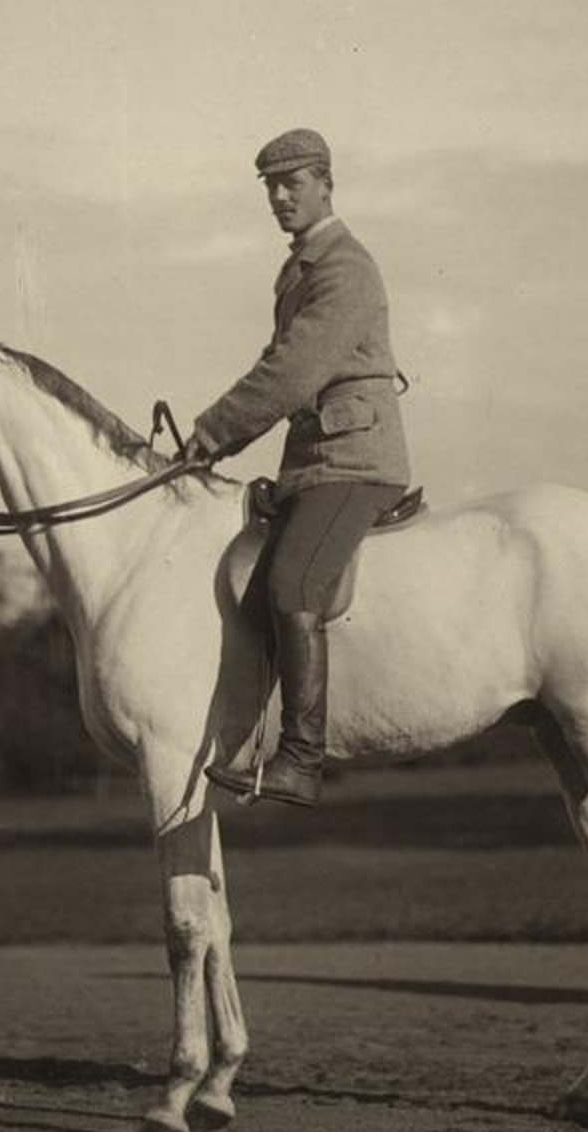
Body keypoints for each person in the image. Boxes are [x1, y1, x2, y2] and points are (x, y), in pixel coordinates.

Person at [184, 128, 411, 808]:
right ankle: (245, 746)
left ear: (326, 184)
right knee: (254, 591)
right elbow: (274, 367)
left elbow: (293, 371)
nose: (280, 198)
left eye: (293, 183)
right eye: (271, 188)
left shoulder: (344, 268)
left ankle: (303, 760)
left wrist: (213, 432)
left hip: (356, 460)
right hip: (313, 464)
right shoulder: (300, 270)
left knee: (291, 585)